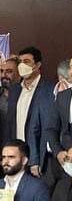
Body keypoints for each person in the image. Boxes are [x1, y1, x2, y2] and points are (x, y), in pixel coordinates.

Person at [6, 47, 55, 181]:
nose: (22, 65)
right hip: (17, 156)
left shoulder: (49, 90)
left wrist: (35, 159)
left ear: (37, 65)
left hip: (38, 159)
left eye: (26, 61)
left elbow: (47, 127)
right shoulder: (15, 90)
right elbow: (10, 124)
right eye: (20, 62)